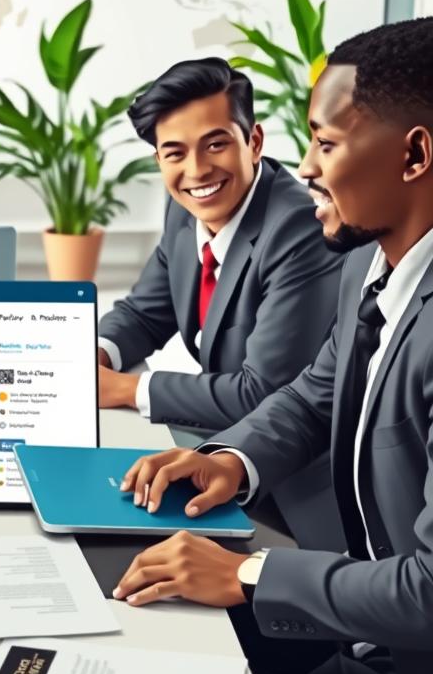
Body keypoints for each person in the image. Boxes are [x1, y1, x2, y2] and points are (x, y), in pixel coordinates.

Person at [112, 18, 433, 674]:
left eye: (326, 144)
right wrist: (230, 461)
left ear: (415, 157)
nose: (309, 167)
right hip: (364, 624)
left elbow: (429, 591)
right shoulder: (373, 257)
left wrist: (250, 575)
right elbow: (319, 386)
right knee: (144, 666)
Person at [97, 57, 344, 548]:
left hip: (295, 493)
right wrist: (97, 355)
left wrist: (126, 390)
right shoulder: (185, 204)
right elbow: (146, 310)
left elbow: (263, 392)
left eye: (216, 144)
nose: (197, 171)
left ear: (253, 141)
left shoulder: (299, 229)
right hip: (220, 451)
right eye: (175, 153)